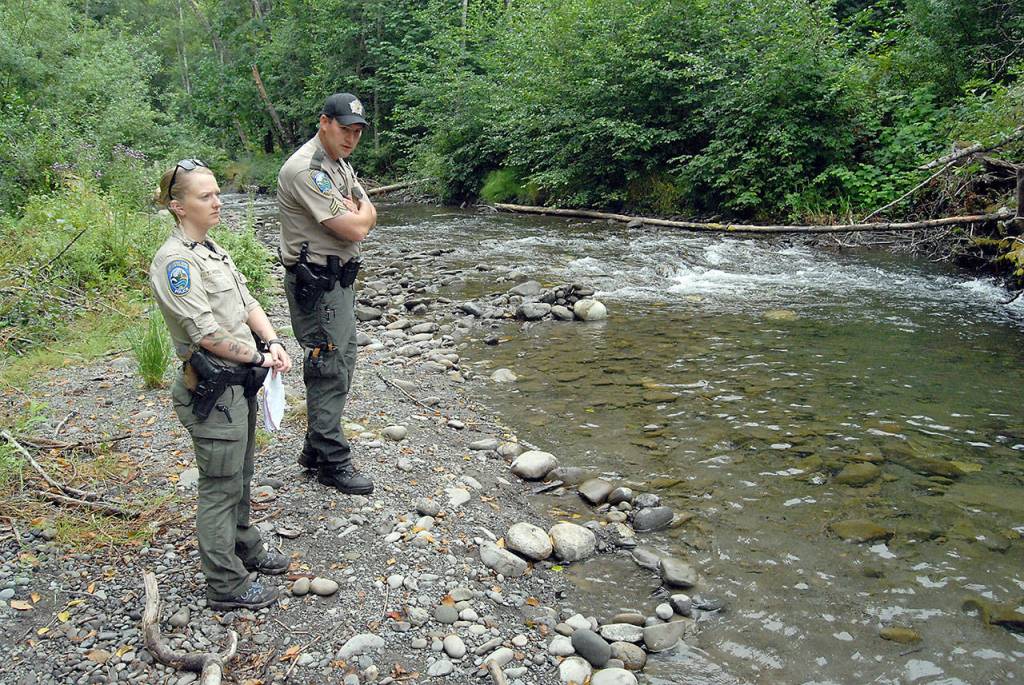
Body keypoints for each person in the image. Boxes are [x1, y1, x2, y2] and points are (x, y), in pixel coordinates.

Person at [150, 159, 293, 611]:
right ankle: (225, 583)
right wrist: (259, 356)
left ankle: (244, 547)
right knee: (220, 485)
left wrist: (271, 340)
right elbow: (206, 335)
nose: (217, 202)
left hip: (239, 386)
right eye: (205, 196)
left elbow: (247, 302)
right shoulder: (176, 262)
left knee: (241, 475)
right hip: (214, 392)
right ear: (177, 206)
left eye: (217, 193)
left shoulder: (212, 249)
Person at [277, 92, 377, 495]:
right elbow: (356, 226)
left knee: (342, 362)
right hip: (316, 283)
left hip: (338, 281)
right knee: (328, 366)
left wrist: (361, 216)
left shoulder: (339, 163)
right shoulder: (308, 169)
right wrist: (361, 218)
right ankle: (332, 460)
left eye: (357, 132)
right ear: (324, 122)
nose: (351, 138)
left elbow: (368, 211)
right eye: (345, 129)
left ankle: (315, 448)